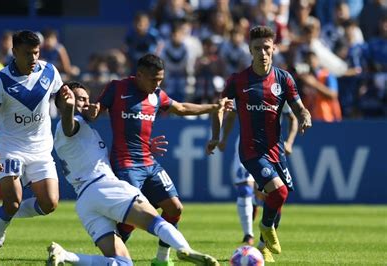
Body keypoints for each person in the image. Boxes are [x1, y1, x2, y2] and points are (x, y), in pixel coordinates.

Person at [49, 81, 219, 266]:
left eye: (87, 99)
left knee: (123, 263)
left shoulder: (77, 132)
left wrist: (144, 146)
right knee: (154, 221)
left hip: (85, 202)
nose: (87, 103)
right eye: (80, 99)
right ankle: (185, 249)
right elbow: (69, 126)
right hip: (103, 187)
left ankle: (65, 256)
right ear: (63, 102)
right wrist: (68, 109)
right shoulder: (72, 125)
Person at [96, 54, 230, 265]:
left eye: (160, 80)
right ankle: (114, 257)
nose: (157, 84)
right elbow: (96, 112)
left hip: (149, 162)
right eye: (153, 79)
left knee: (175, 208)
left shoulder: (157, 95)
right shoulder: (117, 88)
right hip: (126, 165)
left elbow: (182, 108)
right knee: (131, 218)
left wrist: (214, 108)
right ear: (139, 75)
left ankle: (161, 259)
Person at [206, 25, 312, 262]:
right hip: (251, 150)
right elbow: (220, 108)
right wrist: (216, 136)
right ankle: (262, 229)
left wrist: (306, 115)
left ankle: (263, 247)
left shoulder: (284, 79)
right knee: (279, 191)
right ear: (250, 50)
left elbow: (298, 108)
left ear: (274, 48)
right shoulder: (238, 80)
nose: (262, 53)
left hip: (276, 149)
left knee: (279, 199)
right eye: (257, 48)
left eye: (266, 48)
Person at [0, 30, 63, 266]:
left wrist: (70, 103)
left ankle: (1, 215)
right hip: (11, 148)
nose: (34, 58)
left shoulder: (49, 71)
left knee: (49, 204)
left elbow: (60, 96)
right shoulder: (1, 80)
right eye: (28, 53)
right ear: (14, 52)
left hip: (41, 149)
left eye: (36, 52)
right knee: (14, 201)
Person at [208, 102, 298, 262]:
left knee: (277, 195)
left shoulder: (279, 86)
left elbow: (293, 118)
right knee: (245, 190)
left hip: (273, 150)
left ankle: (263, 246)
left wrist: (290, 142)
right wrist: (222, 138)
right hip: (247, 147)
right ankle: (248, 235)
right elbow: (230, 116)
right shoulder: (243, 85)